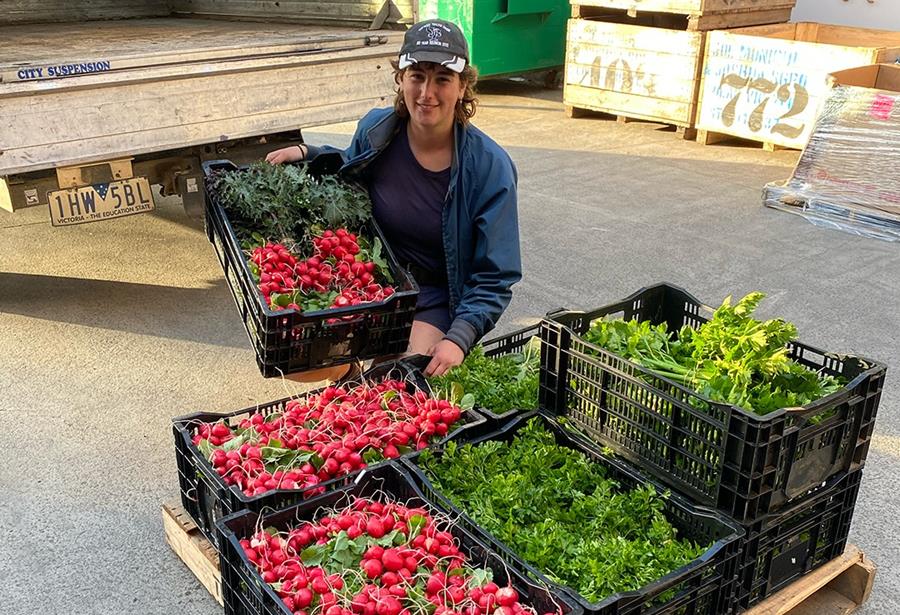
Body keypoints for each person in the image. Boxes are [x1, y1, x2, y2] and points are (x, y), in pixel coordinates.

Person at [266, 19, 521, 377]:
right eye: (416, 75)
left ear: (463, 87)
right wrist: (310, 153)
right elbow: (351, 166)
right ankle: (351, 377)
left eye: (442, 79)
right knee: (293, 358)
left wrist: (459, 337)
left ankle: (366, 381)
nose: (427, 93)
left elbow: (494, 275)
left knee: (396, 378)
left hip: (434, 298)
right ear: (400, 78)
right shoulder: (377, 129)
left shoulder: (489, 168)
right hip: (374, 284)